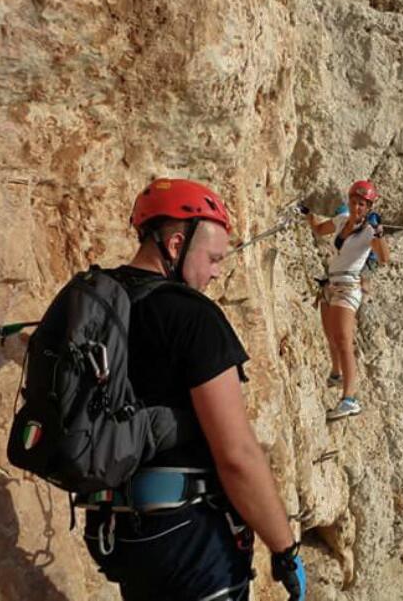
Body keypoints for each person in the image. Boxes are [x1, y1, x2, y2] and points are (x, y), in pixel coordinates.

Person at [82, 178, 305, 601]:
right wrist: (285, 548)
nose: (218, 271)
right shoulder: (192, 317)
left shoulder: (99, 304)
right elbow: (237, 455)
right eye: (214, 257)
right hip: (187, 538)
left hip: (116, 532)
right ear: (175, 244)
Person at [306, 180, 390, 421]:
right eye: (354, 202)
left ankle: (350, 399)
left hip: (348, 286)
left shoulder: (369, 231)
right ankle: (336, 373)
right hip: (330, 282)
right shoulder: (342, 221)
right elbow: (320, 229)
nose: (356, 207)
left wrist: (380, 233)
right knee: (331, 335)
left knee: (344, 339)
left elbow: (384, 258)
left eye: (362, 204)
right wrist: (306, 213)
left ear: (369, 206)